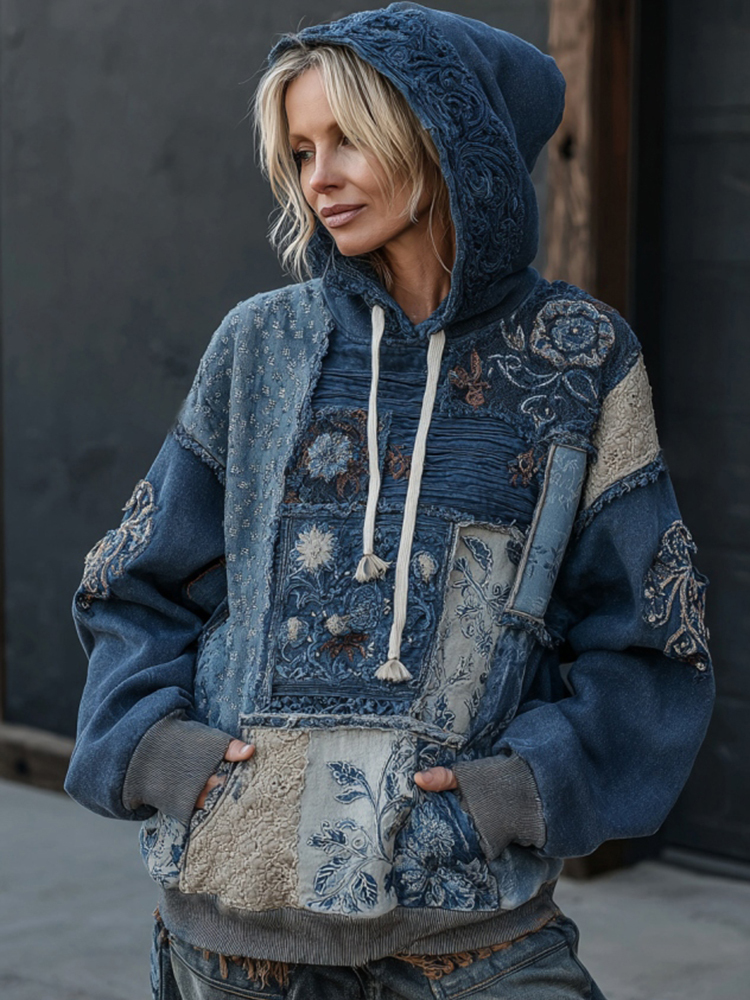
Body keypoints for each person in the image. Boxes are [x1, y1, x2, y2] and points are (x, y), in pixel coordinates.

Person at [65, 4, 715, 998]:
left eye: (349, 140)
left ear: (447, 136)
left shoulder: (580, 357)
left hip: (476, 933)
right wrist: (161, 755)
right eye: (300, 150)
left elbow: (649, 630)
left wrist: (520, 789)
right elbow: (132, 583)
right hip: (238, 940)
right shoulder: (261, 344)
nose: (317, 177)